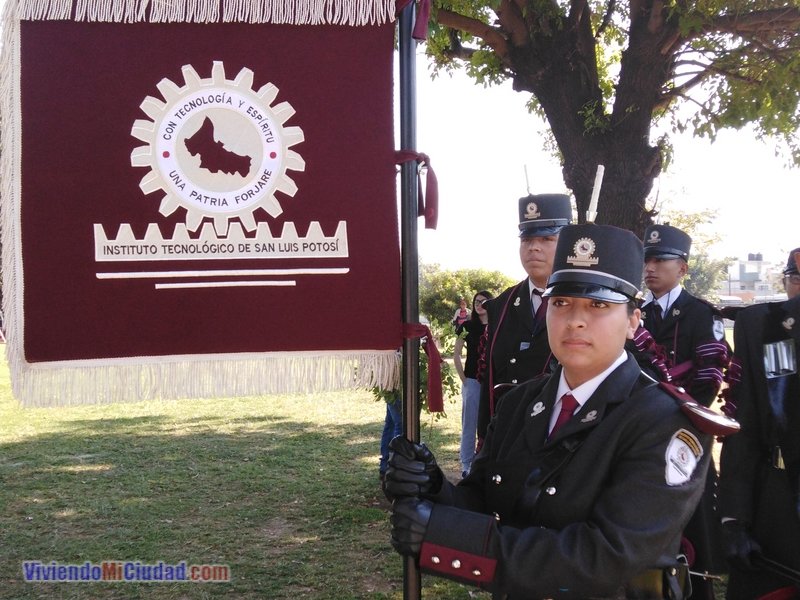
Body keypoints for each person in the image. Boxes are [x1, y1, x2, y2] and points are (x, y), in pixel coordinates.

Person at [386, 224, 732, 599]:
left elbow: (605, 558)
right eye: (561, 302)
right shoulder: (519, 402)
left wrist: (447, 537)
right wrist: (435, 490)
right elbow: (486, 499)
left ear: (633, 321)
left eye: (599, 305)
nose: (575, 320)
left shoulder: (664, 422)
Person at [639, 223, 730, 598]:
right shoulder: (633, 313)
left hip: (684, 434)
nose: (651, 267)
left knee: (692, 530)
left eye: (661, 260)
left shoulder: (700, 314)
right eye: (647, 259)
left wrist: (674, 412)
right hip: (637, 436)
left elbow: (708, 381)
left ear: (684, 268)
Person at [718, 249, 800, 600]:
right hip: (776, 510)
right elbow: (747, 423)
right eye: (796, 279)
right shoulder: (770, 330)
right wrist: (734, 518)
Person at [477, 193, 572, 446]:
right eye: (527, 239)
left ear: (567, 243)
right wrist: (484, 437)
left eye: (547, 238)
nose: (534, 248)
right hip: (505, 435)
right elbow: (489, 377)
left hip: (557, 441)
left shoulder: (584, 306)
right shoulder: (502, 304)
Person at [453, 290, 493, 478]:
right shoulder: (467, 326)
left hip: (493, 382)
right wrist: (464, 379)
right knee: (469, 423)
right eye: (477, 301)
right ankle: (467, 465)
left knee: (491, 423)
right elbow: (456, 354)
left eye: (484, 301)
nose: (479, 304)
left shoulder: (497, 325)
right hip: (472, 381)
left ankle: (486, 461)